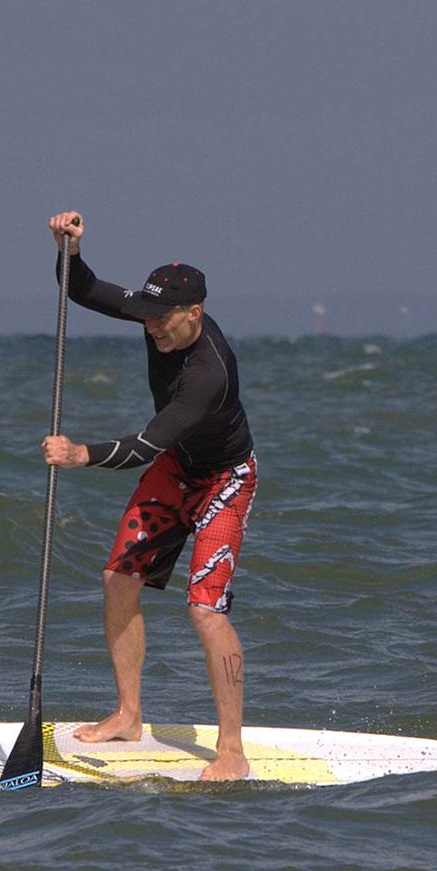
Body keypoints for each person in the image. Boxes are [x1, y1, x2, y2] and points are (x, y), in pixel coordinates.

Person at [40, 211, 258, 781]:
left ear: (195, 313)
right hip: (176, 468)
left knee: (204, 609)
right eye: (148, 317)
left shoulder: (208, 373)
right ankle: (129, 716)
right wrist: (71, 249)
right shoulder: (153, 314)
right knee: (118, 579)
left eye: (164, 321)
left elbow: (146, 444)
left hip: (224, 479)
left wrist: (80, 453)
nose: (152, 328)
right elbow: (82, 289)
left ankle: (231, 747)